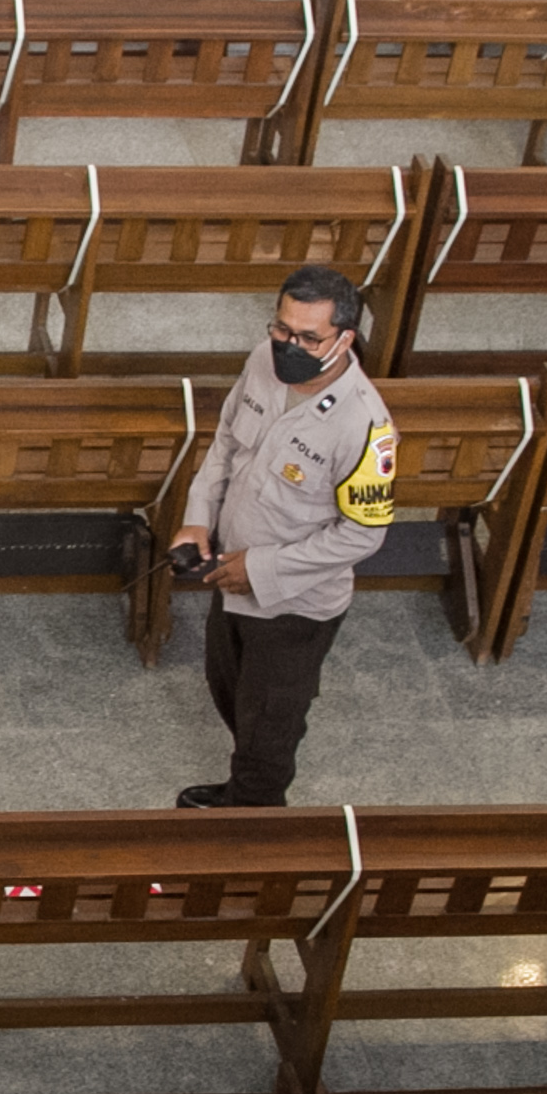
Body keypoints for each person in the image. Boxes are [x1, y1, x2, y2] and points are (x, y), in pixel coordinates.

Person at [166, 262, 395, 810]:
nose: (289, 346)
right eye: (281, 329)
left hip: (296, 604)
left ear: (345, 338)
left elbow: (365, 534)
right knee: (231, 692)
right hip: (229, 572)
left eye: (307, 338)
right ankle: (250, 780)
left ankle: (253, 816)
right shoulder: (262, 362)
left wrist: (261, 568)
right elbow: (226, 442)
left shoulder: (364, 425)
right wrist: (198, 516)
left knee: (270, 721)